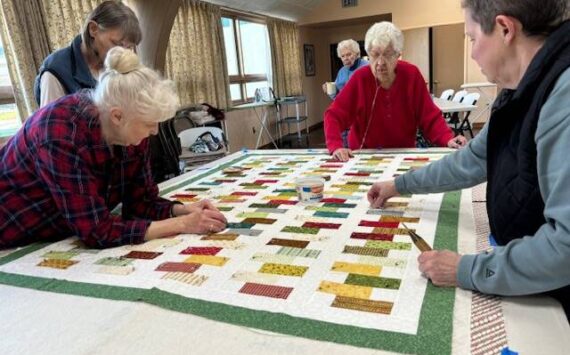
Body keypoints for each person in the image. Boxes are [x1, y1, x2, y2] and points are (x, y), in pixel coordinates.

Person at [367, 0, 570, 319]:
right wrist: (399, 185)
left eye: (473, 39)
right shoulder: (519, 86)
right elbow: (471, 160)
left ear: (505, 29)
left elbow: (565, 250)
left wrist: (466, 269)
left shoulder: (563, 96)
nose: (473, 53)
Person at [0, 47, 227, 249]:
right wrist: (182, 224)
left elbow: (141, 203)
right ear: (117, 116)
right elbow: (97, 231)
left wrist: (184, 210)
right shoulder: (59, 133)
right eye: (149, 124)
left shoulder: (131, 133)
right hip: (11, 226)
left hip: (57, 229)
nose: (155, 132)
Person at [324, 22, 467, 162]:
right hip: (364, 156)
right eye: (374, 55)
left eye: (387, 55)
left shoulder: (411, 75)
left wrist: (448, 138)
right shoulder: (360, 78)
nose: (380, 63)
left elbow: (429, 116)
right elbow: (334, 115)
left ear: (398, 54)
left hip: (403, 154)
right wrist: (336, 146)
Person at [34, 0, 142, 108]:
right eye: (117, 44)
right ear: (93, 29)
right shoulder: (55, 71)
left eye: (128, 48)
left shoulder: (116, 65)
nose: (122, 53)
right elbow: (50, 123)